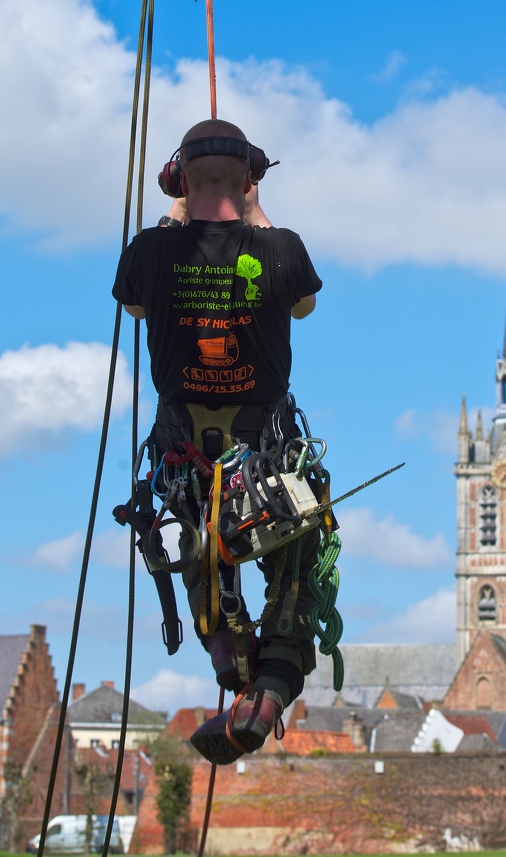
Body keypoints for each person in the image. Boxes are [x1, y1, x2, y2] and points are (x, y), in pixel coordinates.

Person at [112, 118, 322, 765]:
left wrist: (178, 215)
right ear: (250, 180)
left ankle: (227, 656)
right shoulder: (282, 250)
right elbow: (302, 309)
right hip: (263, 448)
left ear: (178, 180)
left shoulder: (148, 252)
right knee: (295, 564)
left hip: (188, 452)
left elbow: (138, 310)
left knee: (202, 548)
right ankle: (271, 685)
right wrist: (252, 210)